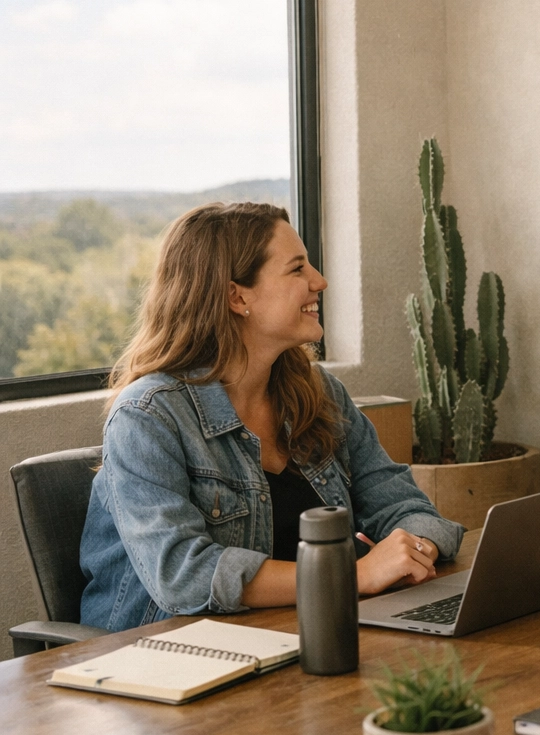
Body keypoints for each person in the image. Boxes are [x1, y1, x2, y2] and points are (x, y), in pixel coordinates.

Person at [80, 202, 462, 633]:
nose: (320, 281)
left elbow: (409, 509)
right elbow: (183, 577)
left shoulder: (321, 395)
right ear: (236, 296)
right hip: (161, 657)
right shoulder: (147, 416)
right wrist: (352, 576)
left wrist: (414, 549)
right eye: (297, 269)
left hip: (298, 633)